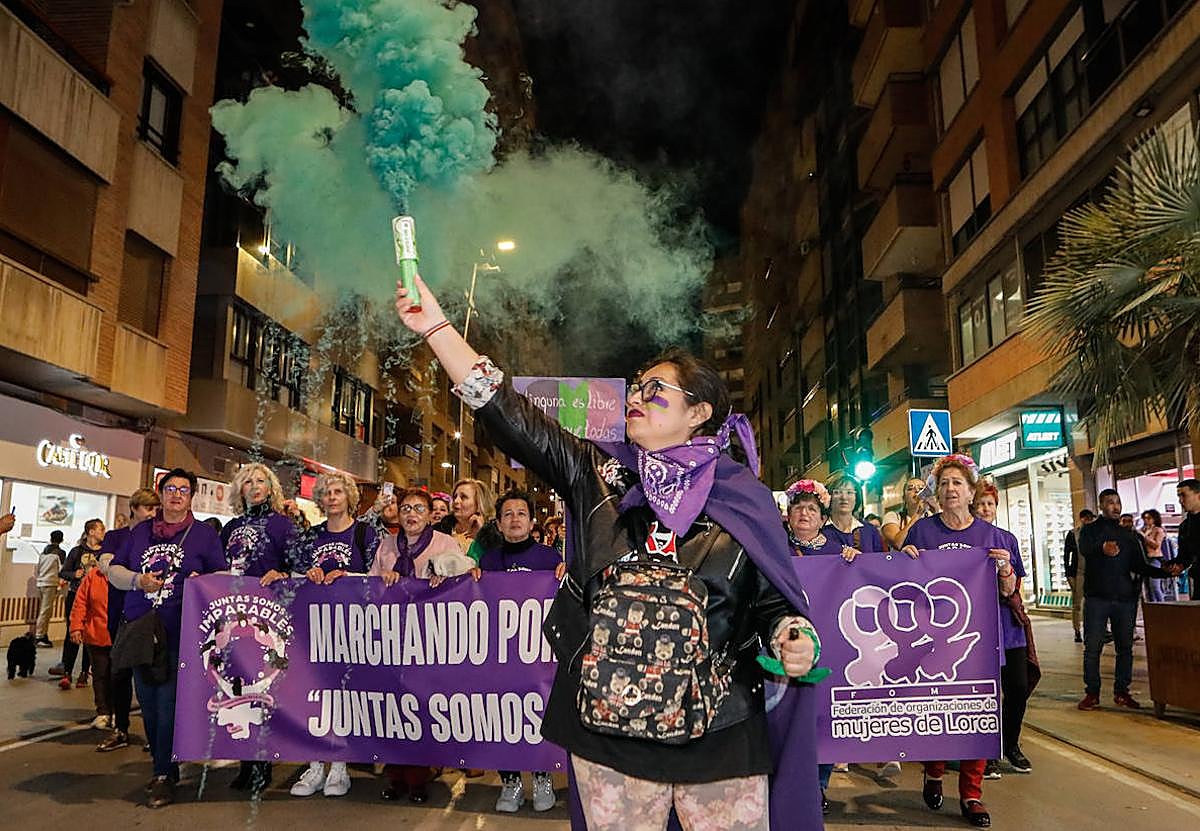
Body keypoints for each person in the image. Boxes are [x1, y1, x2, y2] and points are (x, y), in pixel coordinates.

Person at [396, 275, 821, 830]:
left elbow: (772, 604)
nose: (637, 398)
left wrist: (795, 635)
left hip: (721, 734)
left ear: (699, 414)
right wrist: (436, 327)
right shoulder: (595, 475)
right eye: (637, 388)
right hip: (608, 733)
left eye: (656, 390)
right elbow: (509, 415)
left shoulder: (745, 497)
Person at [898, 454, 1018, 829]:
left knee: (979, 715)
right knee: (936, 713)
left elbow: (1010, 590)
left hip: (982, 642)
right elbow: (901, 583)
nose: (950, 489)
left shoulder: (995, 536)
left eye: (958, 484)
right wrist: (904, 557)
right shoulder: (922, 532)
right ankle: (933, 771)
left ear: (971, 492)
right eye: (945, 483)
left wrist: (1005, 569)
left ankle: (972, 793)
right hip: (932, 642)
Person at [106, 469, 226, 808]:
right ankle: (166, 766)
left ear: (191, 497)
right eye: (170, 488)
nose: (176, 495)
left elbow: (222, 575)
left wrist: (204, 581)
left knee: (168, 704)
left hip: (181, 630)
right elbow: (114, 570)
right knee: (147, 702)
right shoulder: (141, 531)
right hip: (142, 628)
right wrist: (137, 581)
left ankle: (161, 773)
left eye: (183, 490)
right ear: (160, 494)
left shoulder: (202, 534)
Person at [368, 487, 474, 804]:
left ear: (429, 514)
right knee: (393, 708)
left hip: (429, 640)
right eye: (405, 508)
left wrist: (446, 579)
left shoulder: (445, 543)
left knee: (420, 708)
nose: (411, 514)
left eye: (418, 508)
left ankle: (418, 777)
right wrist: (382, 578)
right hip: (392, 638)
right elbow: (369, 585)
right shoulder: (386, 545)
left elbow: (465, 579)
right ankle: (396, 776)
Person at [290, 471, 379, 799]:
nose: (331, 498)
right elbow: (293, 576)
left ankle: (340, 767)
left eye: (338, 492)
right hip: (312, 631)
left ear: (349, 497)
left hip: (350, 630)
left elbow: (378, 577)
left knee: (342, 700)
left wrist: (350, 576)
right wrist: (305, 573)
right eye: (326, 493)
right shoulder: (309, 537)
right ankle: (314, 767)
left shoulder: (365, 534)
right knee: (312, 698)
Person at [477, 490, 566, 812]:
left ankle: (542, 778)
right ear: (499, 524)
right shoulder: (487, 561)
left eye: (521, 514)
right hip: (499, 656)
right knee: (503, 717)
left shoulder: (549, 559)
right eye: (508, 514)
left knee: (536, 714)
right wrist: (471, 580)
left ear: (531, 522)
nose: (515, 519)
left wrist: (563, 577)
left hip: (538, 657)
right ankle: (510, 782)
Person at [221, 462, 297, 794]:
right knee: (237, 690)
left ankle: (262, 763)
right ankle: (245, 761)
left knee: (263, 691)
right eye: (248, 481)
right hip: (233, 617)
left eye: (261, 481)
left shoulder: (283, 525)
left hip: (268, 618)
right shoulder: (231, 527)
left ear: (271, 489)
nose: (254, 486)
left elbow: (300, 566)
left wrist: (283, 575)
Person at [782, 478, 856, 813]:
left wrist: (854, 562)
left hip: (831, 646)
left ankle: (820, 786)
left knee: (825, 716)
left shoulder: (836, 550)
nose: (804, 514)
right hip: (787, 644)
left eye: (812, 508)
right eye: (798, 507)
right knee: (792, 715)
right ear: (788, 514)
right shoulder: (775, 545)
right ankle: (790, 782)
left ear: (822, 516)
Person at [1076, 489, 1174, 712]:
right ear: (1101, 505)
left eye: (1118, 502)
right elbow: (1085, 549)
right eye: (1110, 502)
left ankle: (1122, 692)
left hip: (1124, 600)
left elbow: (1140, 566)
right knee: (1092, 648)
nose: (1115, 506)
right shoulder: (1090, 530)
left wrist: (1167, 572)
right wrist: (1102, 548)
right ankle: (1092, 693)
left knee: (1125, 648)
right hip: (1096, 599)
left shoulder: (1128, 535)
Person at [973, 483, 1036, 777]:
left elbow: (1017, 584)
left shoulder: (1006, 539)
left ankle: (1010, 743)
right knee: (986, 692)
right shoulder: (967, 541)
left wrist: (1005, 570)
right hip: (977, 628)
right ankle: (988, 751)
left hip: (1008, 625)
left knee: (1018, 687)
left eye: (990, 504)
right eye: (981, 503)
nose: (986, 509)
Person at [96, 488, 160, 753]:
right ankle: (120, 727)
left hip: (149, 613)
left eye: (156, 508)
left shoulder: (157, 536)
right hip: (120, 610)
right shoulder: (117, 536)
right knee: (119, 671)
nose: (154, 513)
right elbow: (107, 566)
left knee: (150, 673)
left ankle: (154, 732)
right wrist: (135, 576)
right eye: (149, 508)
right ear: (135, 508)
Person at [53, 520, 104, 688]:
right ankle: (67, 671)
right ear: (90, 531)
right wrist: (74, 574)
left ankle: (84, 672)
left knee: (91, 635)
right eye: (100, 529)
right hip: (75, 595)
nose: (103, 531)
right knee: (72, 632)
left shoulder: (105, 553)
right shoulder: (76, 552)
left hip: (95, 598)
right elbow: (63, 572)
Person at [69, 551, 113, 729]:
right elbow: (80, 603)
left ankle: (118, 711)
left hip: (120, 636)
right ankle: (103, 712)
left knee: (118, 676)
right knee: (100, 675)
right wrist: (76, 627)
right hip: (96, 635)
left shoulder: (126, 577)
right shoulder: (92, 577)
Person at [437, 478, 501, 561]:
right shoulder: (440, 529)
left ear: (479, 503)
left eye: (463, 497)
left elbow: (497, 563)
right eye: (455, 496)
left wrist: (482, 534)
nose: (456, 501)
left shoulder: (493, 536)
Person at [823, 471, 884, 554]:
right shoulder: (820, 531)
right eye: (837, 492)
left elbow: (880, 562)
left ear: (857, 498)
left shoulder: (870, 531)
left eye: (849, 492)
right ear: (828, 497)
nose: (844, 497)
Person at [1064, 509, 1096, 643]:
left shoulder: (1096, 533)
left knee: (1094, 602)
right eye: (1087, 518)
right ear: (1082, 519)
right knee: (1077, 604)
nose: (1089, 521)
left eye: (1091, 518)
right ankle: (1077, 630)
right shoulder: (1073, 534)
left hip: (1094, 572)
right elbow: (1067, 555)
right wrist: (1069, 575)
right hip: (1079, 572)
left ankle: (1094, 630)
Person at [881, 477, 933, 551]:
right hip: (902, 561)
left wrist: (937, 510)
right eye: (910, 489)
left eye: (921, 488)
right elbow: (897, 543)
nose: (917, 490)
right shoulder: (893, 516)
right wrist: (917, 515)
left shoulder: (931, 516)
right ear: (904, 498)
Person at [34, 531, 65, 647]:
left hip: (41, 582)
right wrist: (61, 583)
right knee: (45, 611)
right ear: (61, 539)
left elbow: (38, 569)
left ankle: (43, 634)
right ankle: (39, 637)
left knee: (44, 610)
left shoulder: (43, 552)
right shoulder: (60, 553)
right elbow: (62, 569)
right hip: (50, 583)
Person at [1141, 509, 1169, 603]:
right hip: (1145, 559)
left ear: (1154, 518)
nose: (1146, 520)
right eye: (1144, 518)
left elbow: (1157, 545)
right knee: (1147, 587)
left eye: (1149, 518)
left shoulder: (1158, 530)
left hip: (1155, 559)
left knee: (1155, 586)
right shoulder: (1144, 529)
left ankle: (1163, 606)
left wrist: (1145, 537)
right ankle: (1152, 608)